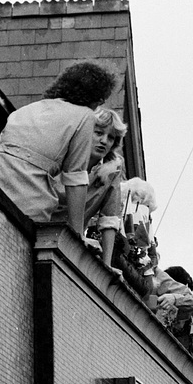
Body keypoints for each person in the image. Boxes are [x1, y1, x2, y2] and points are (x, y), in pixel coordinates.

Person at [0, 61, 117, 235]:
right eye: (101, 100)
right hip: (28, 201)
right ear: (96, 97)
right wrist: (76, 237)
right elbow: (75, 178)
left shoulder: (28, 109)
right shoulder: (85, 116)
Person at [52, 107, 127, 266]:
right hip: (43, 230)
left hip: (74, 242)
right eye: (99, 133)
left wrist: (106, 267)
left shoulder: (112, 170)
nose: (104, 141)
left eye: (111, 138)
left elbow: (109, 218)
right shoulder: (63, 155)